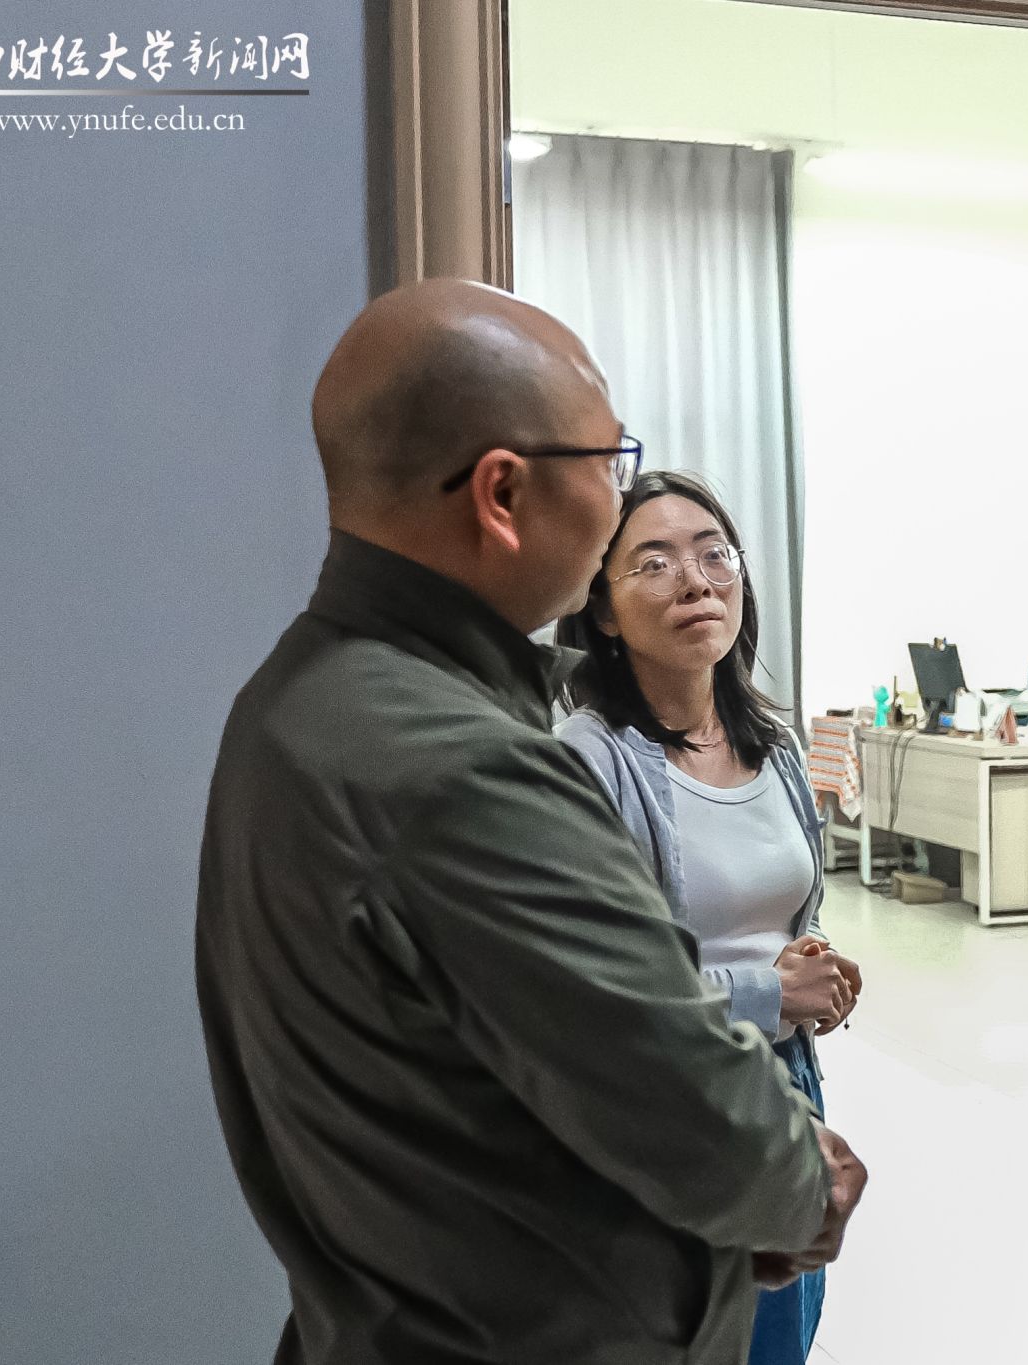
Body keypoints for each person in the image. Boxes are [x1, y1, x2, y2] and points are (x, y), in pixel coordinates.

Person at [195, 279, 865, 1365]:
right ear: (502, 492)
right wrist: (802, 1179)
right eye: (607, 463)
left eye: (711, 553)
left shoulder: (298, 702)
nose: (619, 498)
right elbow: (692, 1111)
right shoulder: (466, 770)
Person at [555, 470, 863, 1365]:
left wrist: (815, 968)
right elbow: (590, 987)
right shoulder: (589, 760)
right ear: (604, 609)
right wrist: (770, 990)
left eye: (713, 553)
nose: (696, 580)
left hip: (786, 1090)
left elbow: (783, 913)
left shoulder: (775, 745)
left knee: (781, 1341)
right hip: (668, 1112)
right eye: (654, 562)